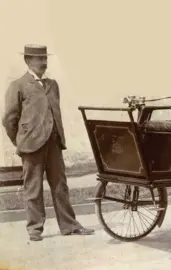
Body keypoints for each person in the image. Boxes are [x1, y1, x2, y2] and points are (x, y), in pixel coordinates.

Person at [2, 44, 94, 241]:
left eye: (45, 59)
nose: (44, 63)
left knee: (60, 186)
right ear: (28, 61)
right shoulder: (17, 85)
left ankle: (69, 225)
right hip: (31, 146)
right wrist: (20, 140)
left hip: (53, 144)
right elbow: (9, 119)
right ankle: (35, 229)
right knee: (33, 189)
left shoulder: (53, 84)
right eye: (39, 59)